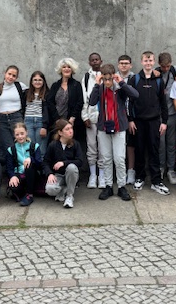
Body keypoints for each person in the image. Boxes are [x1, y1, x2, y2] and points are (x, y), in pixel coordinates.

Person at [89, 63, 139, 201]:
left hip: (119, 127)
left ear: (113, 77)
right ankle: (108, 186)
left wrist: (121, 82)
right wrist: (96, 84)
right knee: (106, 158)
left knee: (119, 159)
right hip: (103, 127)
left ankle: (121, 186)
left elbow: (135, 95)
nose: (107, 82)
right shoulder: (100, 88)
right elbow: (92, 102)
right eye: (105, 79)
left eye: (109, 79)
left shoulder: (119, 89)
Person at [129, 51, 170, 195]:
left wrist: (164, 122)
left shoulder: (159, 80)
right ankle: (139, 177)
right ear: (141, 62)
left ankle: (156, 181)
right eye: (145, 61)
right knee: (139, 150)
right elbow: (129, 102)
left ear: (154, 62)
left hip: (154, 122)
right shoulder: (134, 79)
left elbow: (163, 103)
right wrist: (130, 120)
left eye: (150, 60)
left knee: (154, 150)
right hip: (138, 122)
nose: (148, 63)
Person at [43, 119, 83, 209]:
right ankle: (64, 189)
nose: (71, 131)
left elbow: (80, 161)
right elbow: (45, 162)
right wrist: (49, 174)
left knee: (71, 167)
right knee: (49, 189)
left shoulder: (75, 144)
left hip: (71, 174)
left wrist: (64, 163)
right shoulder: (53, 145)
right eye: (67, 129)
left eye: (71, 128)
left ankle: (69, 196)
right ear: (60, 132)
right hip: (58, 175)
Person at [157, 52, 176, 185]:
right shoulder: (156, 72)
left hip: (172, 113)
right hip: (159, 115)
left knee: (171, 143)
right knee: (161, 143)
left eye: (168, 66)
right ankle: (161, 167)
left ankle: (171, 169)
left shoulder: (175, 70)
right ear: (159, 64)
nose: (166, 69)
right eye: (163, 66)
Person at [46, 58, 84, 145]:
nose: (66, 69)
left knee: (71, 145)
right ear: (61, 69)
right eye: (64, 67)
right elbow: (49, 102)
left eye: (69, 67)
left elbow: (80, 102)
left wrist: (73, 117)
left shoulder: (76, 85)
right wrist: (57, 119)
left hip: (72, 122)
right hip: (57, 121)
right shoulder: (55, 85)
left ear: (72, 69)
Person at [5, 122, 42, 206]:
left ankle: (29, 195)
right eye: (17, 134)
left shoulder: (34, 146)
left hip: (32, 174)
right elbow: (9, 167)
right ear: (14, 135)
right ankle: (23, 192)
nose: (20, 136)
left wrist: (31, 159)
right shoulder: (11, 149)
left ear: (26, 132)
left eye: (22, 133)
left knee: (29, 165)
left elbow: (39, 163)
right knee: (13, 186)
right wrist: (12, 176)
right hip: (19, 174)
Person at [82, 52, 103, 188]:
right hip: (91, 117)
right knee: (91, 146)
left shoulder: (106, 75)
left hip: (104, 118)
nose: (95, 61)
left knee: (103, 148)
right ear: (89, 62)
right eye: (92, 60)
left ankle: (102, 176)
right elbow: (84, 99)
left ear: (101, 61)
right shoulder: (86, 77)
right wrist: (85, 116)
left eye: (97, 59)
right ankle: (92, 175)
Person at [0, 65, 28, 150]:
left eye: (14, 76)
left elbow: (32, 90)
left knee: (20, 143)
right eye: (9, 74)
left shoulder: (20, 86)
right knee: (8, 147)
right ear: (5, 73)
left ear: (16, 78)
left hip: (16, 117)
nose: (11, 77)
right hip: (2, 120)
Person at [118, 55, 138, 185]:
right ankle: (120, 172)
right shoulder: (113, 77)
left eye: (126, 63)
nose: (124, 65)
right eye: (121, 63)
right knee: (118, 145)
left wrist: (131, 118)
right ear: (118, 65)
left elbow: (135, 97)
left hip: (132, 116)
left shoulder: (135, 78)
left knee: (131, 144)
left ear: (130, 65)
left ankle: (131, 171)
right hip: (117, 116)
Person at [23, 71, 50, 158]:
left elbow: (48, 111)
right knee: (30, 147)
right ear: (31, 81)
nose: (37, 82)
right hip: (28, 121)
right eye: (35, 80)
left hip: (40, 122)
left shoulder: (47, 93)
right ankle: (31, 166)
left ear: (43, 81)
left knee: (41, 149)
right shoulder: (26, 93)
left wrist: (45, 126)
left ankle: (41, 166)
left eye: (40, 80)